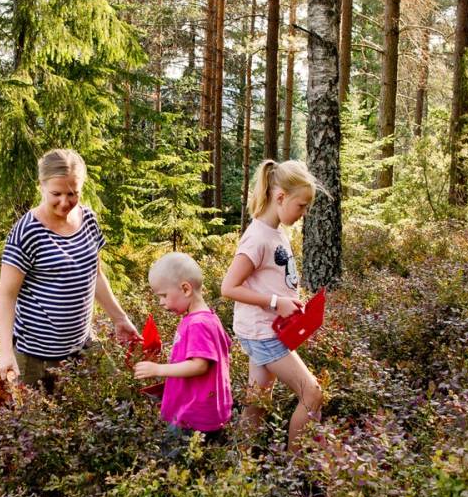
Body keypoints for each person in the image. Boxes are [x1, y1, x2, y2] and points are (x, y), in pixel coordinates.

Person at [0, 148, 139, 391]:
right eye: (56, 193)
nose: (65, 202)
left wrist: (120, 318)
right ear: (41, 185)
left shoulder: (89, 220)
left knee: (119, 398)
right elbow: (6, 296)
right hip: (35, 357)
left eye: (73, 194)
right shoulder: (26, 232)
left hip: (81, 345)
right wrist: (5, 351)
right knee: (32, 424)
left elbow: (96, 274)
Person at [220, 159, 326, 453]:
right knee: (312, 394)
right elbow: (228, 288)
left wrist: (288, 300)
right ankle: (295, 473)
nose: (303, 213)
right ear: (280, 197)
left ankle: (239, 472)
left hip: (266, 331)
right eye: (301, 206)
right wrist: (274, 302)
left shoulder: (276, 231)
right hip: (263, 334)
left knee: (257, 404)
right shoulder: (256, 238)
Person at [133, 253, 233, 452]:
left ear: (185, 288)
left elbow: (200, 365)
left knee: (173, 464)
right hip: (204, 410)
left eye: (163, 295)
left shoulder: (198, 323)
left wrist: (159, 369)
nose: (161, 302)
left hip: (193, 415)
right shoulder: (209, 318)